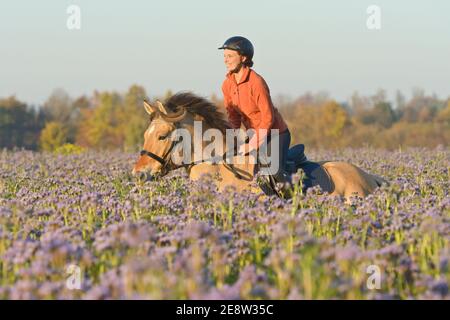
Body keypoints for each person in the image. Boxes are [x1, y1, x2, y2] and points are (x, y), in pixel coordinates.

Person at [218, 36, 292, 186]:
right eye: (224, 56)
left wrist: (251, 146)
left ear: (243, 58)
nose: (226, 60)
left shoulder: (256, 82)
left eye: (230, 56)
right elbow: (233, 119)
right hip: (253, 135)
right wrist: (228, 140)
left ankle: (296, 201)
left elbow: (268, 118)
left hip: (275, 134)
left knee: (272, 171)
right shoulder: (227, 85)